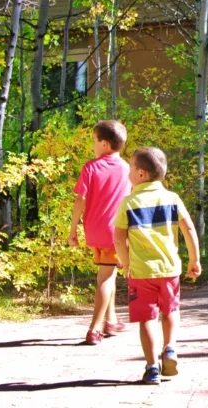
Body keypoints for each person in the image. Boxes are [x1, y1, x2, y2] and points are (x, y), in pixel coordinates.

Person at [113, 146, 201, 385]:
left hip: (141, 273)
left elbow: (119, 238)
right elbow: (189, 229)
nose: (128, 172)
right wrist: (194, 259)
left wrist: (126, 261)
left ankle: (152, 368)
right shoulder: (172, 199)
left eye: (130, 168)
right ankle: (170, 348)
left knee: (146, 319)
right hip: (170, 269)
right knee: (171, 311)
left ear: (141, 174)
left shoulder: (128, 203)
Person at [69, 120, 131, 345]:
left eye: (94, 141)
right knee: (106, 276)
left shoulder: (90, 167)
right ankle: (95, 328)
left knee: (108, 273)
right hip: (115, 231)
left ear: (104, 144)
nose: (93, 145)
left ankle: (109, 321)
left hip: (94, 231)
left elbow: (80, 199)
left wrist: (73, 228)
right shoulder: (127, 169)